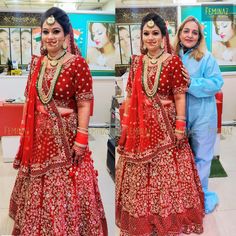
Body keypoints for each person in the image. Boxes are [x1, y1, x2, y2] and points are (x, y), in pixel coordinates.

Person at [9, 7, 108, 235]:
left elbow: (84, 104)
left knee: (66, 185)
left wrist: (81, 138)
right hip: (39, 137)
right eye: (46, 32)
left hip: (67, 136)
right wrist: (26, 136)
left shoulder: (77, 64)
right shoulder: (37, 64)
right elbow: (29, 101)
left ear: (66, 35)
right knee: (39, 183)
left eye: (56, 31)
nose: (50, 37)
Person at [116, 13, 205, 236]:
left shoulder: (172, 61)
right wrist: (126, 128)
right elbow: (129, 96)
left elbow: (180, 97)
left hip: (166, 130)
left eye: (155, 33)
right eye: (146, 33)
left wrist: (180, 126)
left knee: (165, 178)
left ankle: (165, 218)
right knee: (140, 178)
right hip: (140, 130)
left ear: (164, 36)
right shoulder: (137, 62)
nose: (151, 38)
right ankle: (145, 220)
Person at [173, 16, 224, 214]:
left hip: (203, 115)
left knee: (202, 157)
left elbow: (216, 83)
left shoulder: (206, 57)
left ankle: (199, 196)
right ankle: (182, 196)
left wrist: (191, 83)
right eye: (186, 31)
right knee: (179, 157)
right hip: (177, 116)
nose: (190, 35)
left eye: (195, 32)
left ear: (199, 36)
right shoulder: (172, 55)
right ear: (179, 33)